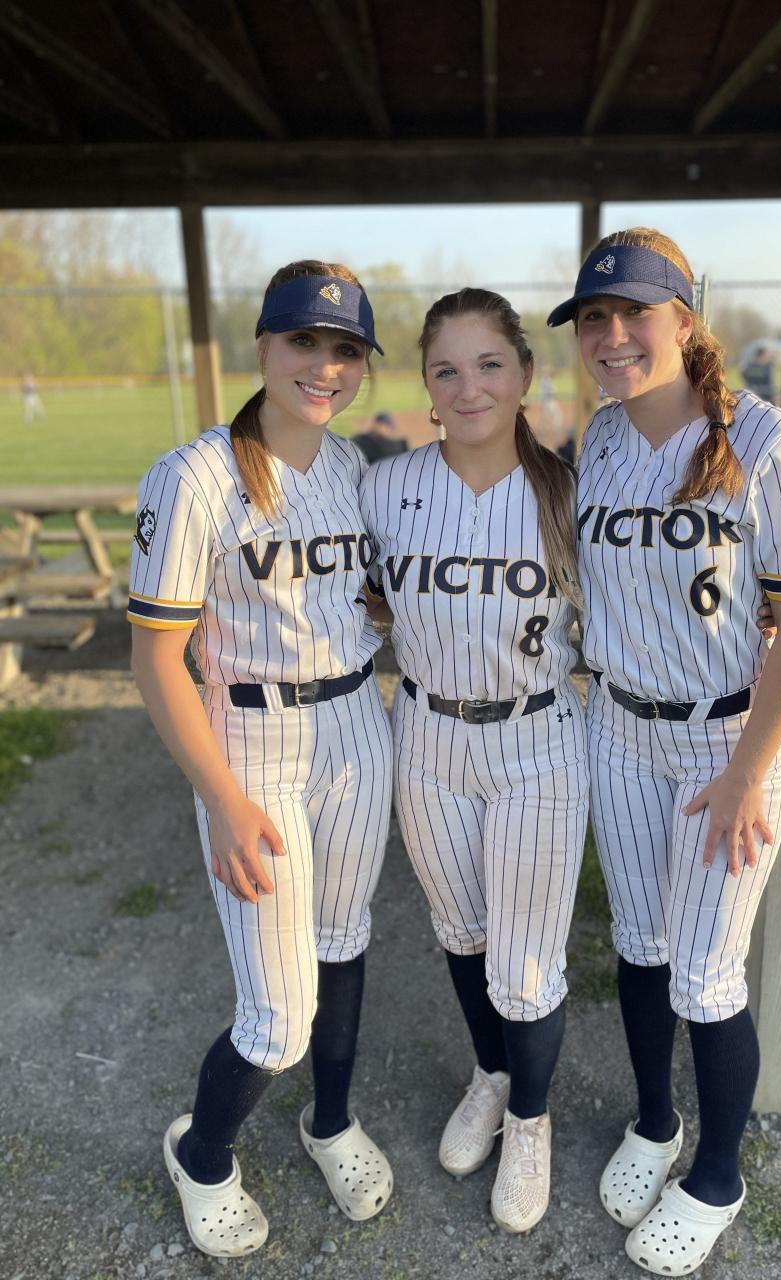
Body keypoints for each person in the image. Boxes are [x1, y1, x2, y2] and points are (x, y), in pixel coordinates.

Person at [548, 228, 781, 1275]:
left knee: (709, 974)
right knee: (639, 943)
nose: (614, 335)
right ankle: (656, 1120)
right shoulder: (604, 440)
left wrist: (749, 768)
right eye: (595, 317)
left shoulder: (770, 442)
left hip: (730, 733)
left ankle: (719, 1171)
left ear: (685, 317)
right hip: (621, 724)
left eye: (636, 312)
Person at [128, 261, 394, 1258]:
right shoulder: (195, 474)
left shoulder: (353, 466)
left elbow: (369, 595)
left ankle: (329, 1119)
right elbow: (155, 655)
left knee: (344, 937)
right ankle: (200, 1153)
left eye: (344, 350)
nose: (323, 366)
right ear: (263, 347)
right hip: (255, 745)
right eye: (303, 342)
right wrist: (224, 798)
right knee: (277, 1015)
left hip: (358, 725)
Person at [359, 288, 588, 1235]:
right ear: (425, 387)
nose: (469, 386)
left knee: (526, 963)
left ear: (525, 375)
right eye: (447, 369)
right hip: (427, 734)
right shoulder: (386, 488)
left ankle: (530, 1123)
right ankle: (494, 1075)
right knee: (462, 933)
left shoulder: (571, 495)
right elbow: (357, 592)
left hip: (536, 739)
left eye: (489, 364)